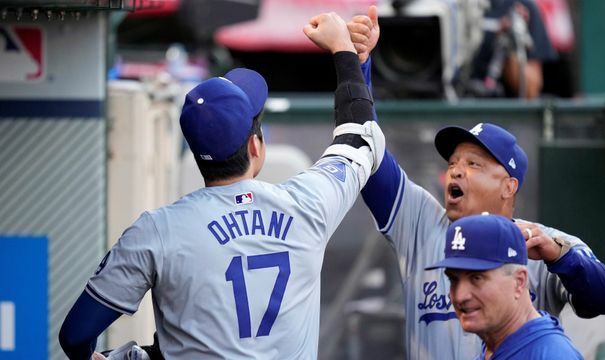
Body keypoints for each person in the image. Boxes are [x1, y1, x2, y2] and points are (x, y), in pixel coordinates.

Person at [58, 12, 385, 360]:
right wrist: (345, 53)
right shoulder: (306, 204)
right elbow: (361, 137)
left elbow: (75, 336)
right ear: (255, 146)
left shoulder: (156, 231)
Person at [346, 5, 605, 359]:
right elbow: (370, 158)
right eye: (454, 162)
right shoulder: (422, 223)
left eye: (474, 164)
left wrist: (560, 257)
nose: (457, 171)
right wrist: (359, 66)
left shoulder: (539, 244)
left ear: (509, 186)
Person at [425, 214, 583, 359]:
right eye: (454, 279)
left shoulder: (551, 355)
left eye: (476, 278)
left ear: (519, 282)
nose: (460, 296)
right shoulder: (495, 348)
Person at [467, 0, 556, 98]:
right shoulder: (452, 7)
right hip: (457, 104)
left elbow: (531, 92)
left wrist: (510, 45)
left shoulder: (522, 7)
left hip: (502, 107)